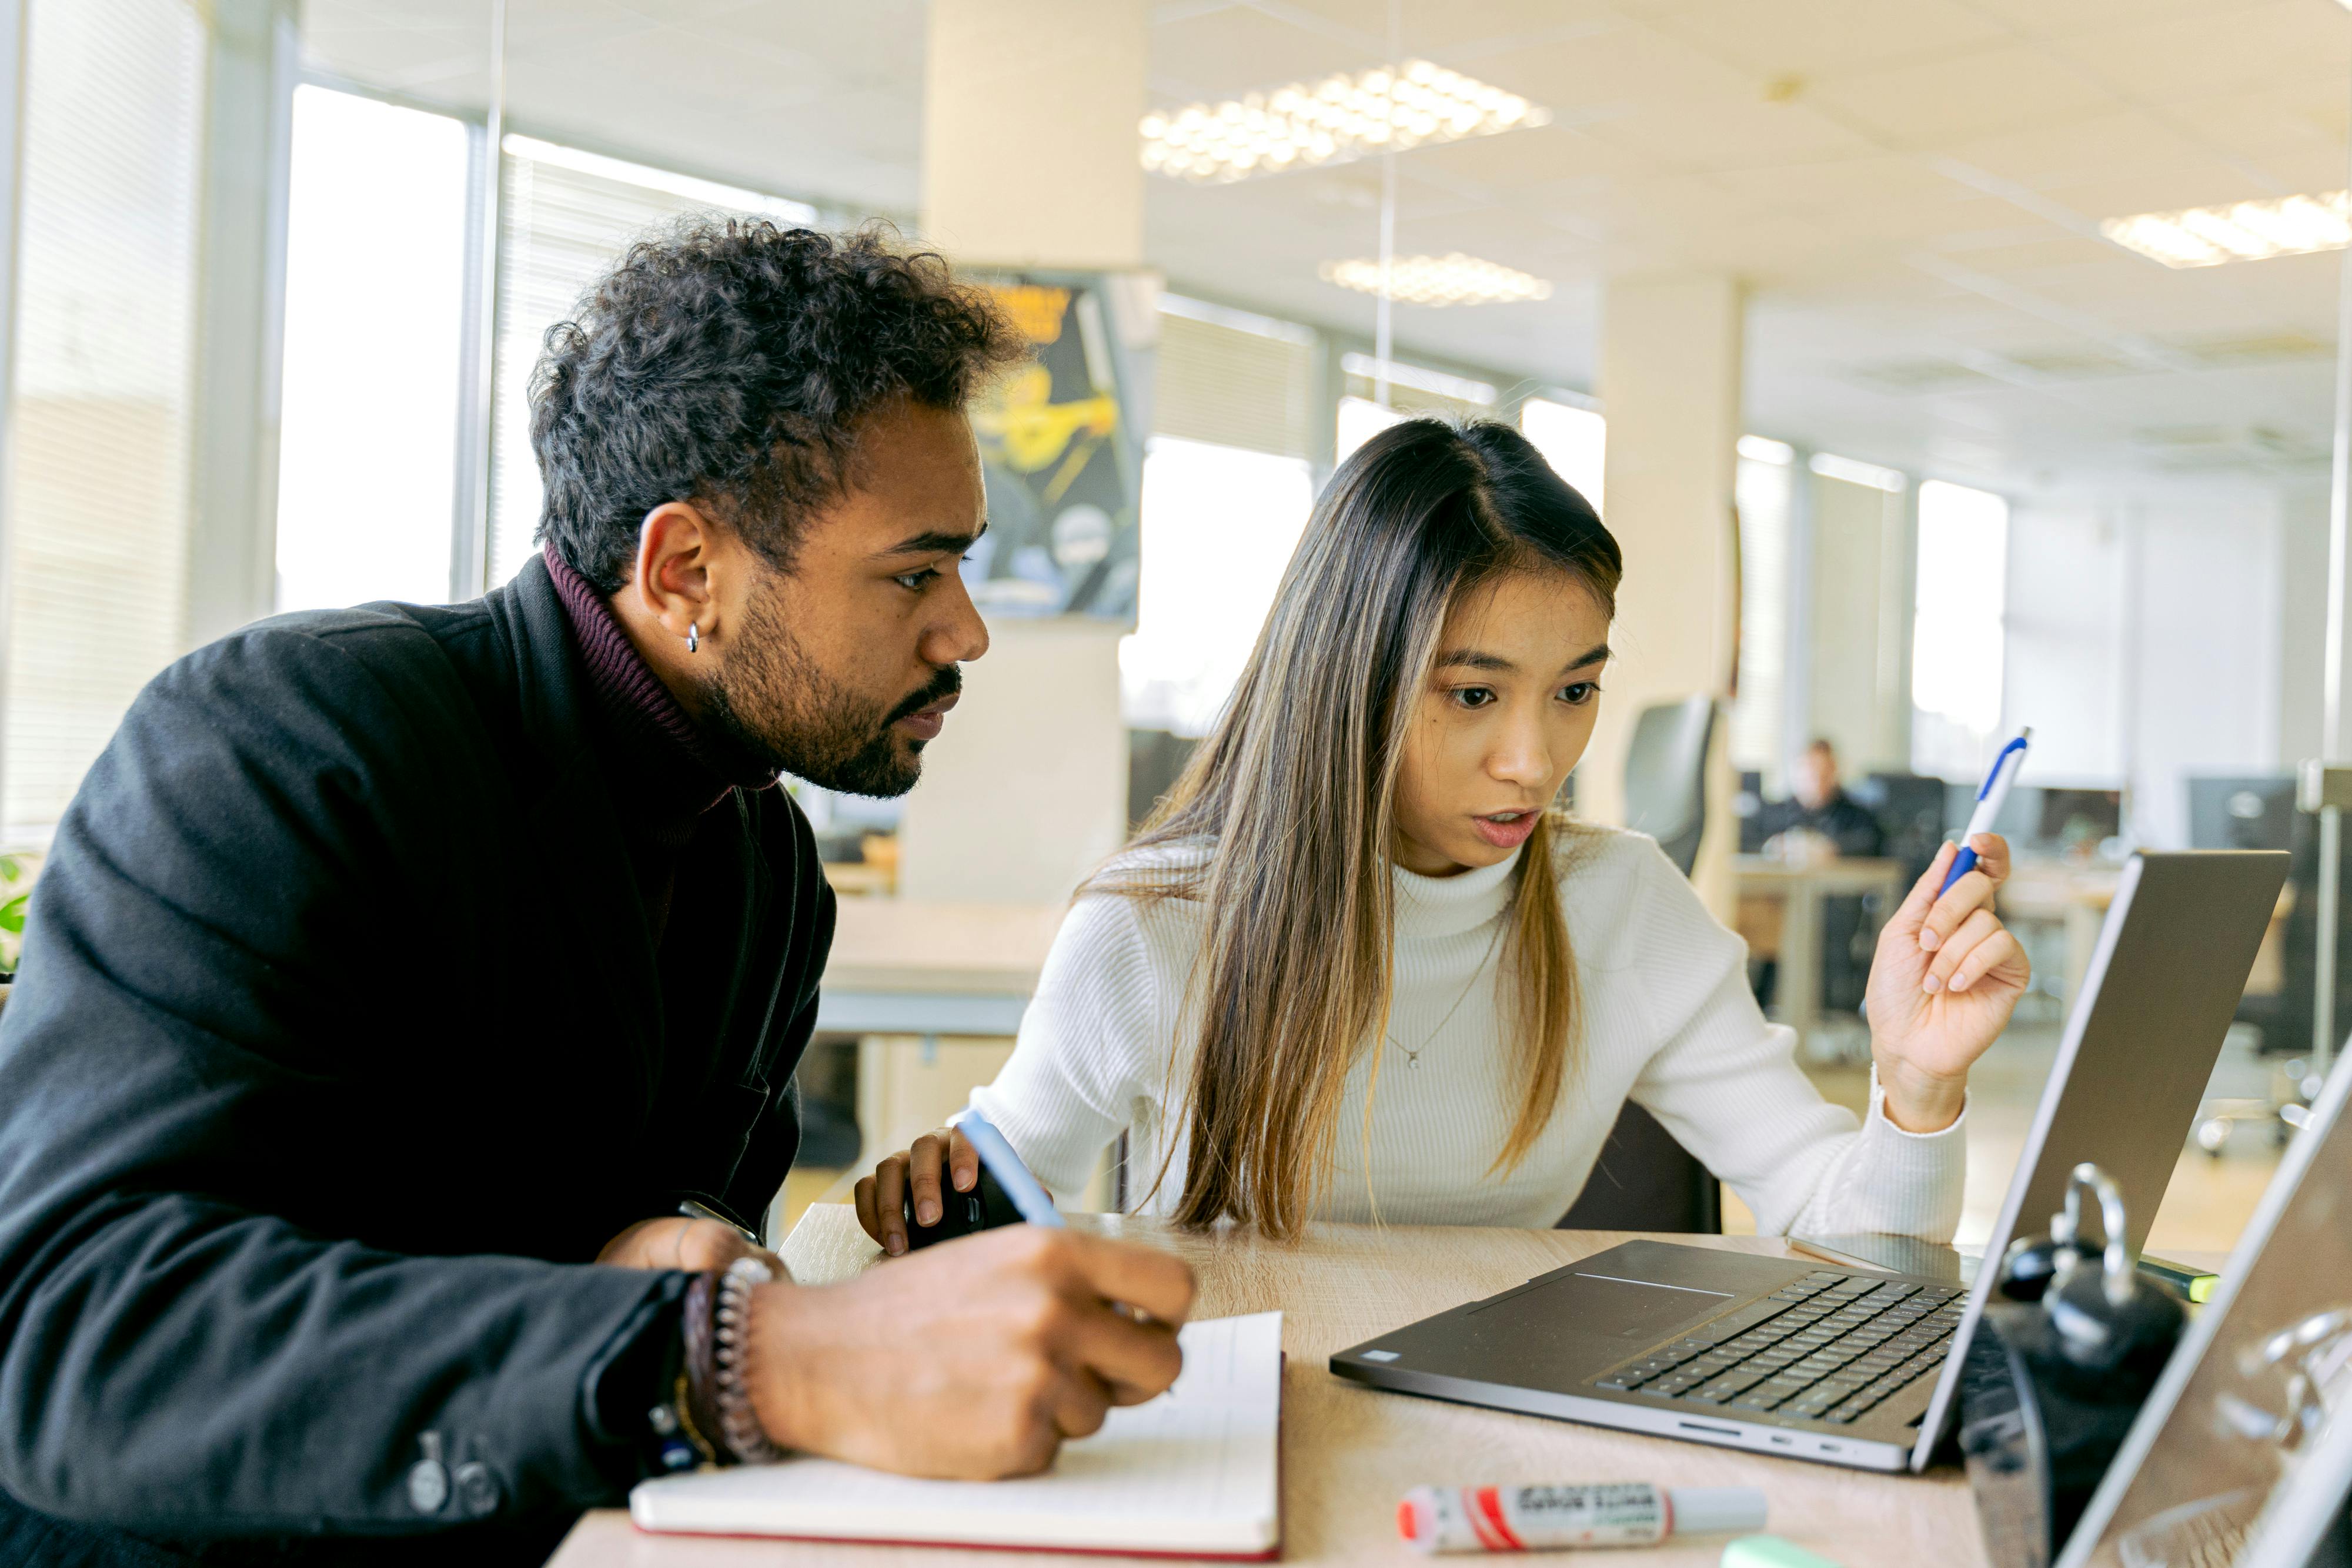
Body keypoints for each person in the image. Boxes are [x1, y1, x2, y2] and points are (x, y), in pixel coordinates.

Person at [0, 221, 1193, 1568]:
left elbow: (632, 1249)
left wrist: (694, 1259)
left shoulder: (765, 867)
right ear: (687, 570)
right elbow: (86, 1339)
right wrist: (749, 1355)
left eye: (964, 566)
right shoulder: (285, 743)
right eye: (915, 573)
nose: (963, 632)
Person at [858, 418, 2029, 1246]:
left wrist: (1914, 1086)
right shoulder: (1155, 925)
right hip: (1223, 1443)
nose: (1534, 759)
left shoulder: (1621, 905)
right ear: (1345, 679)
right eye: (1471, 694)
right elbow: (990, 1222)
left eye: (1572, 691)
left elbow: (1857, 1238)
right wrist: (931, 1213)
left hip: (1501, 1455)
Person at [1756, 738, 1886, 860]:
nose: (1817, 781)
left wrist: (1831, 849)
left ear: (1834, 772)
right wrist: (1776, 847)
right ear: (1796, 773)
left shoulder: (1858, 817)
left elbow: (1872, 844)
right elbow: (1749, 845)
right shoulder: (1774, 814)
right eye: (1810, 772)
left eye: (1824, 773)